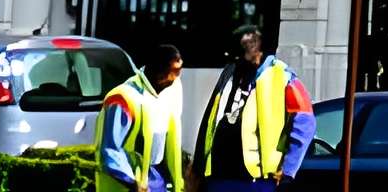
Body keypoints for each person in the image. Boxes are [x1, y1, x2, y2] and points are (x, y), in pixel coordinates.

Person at [193, 26, 312, 185]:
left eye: (240, 51)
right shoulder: (231, 72)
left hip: (257, 179)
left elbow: (305, 121)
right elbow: (211, 118)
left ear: (257, 49)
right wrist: (198, 165)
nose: (233, 58)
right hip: (219, 174)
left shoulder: (282, 76)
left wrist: (288, 167)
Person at [100, 45, 186, 192]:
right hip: (127, 185)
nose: (178, 76)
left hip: (156, 180)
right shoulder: (123, 98)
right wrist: (134, 183)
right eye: (175, 72)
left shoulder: (170, 94)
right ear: (160, 73)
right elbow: (111, 150)